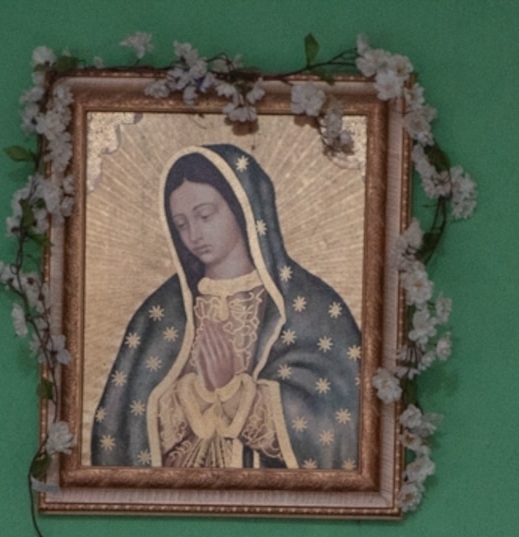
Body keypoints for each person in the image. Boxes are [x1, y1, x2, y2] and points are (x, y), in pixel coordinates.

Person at [88, 145, 364, 471]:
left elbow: (340, 423)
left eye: (205, 216)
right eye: (181, 224)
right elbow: (121, 427)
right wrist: (194, 394)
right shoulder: (160, 314)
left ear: (241, 206)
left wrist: (233, 392)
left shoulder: (310, 307)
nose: (194, 234)